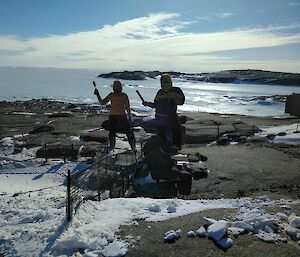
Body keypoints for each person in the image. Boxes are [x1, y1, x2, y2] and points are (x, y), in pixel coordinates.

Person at [142, 74, 185, 148]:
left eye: (165, 82)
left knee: (176, 131)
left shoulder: (176, 90)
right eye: (162, 82)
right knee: (161, 135)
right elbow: (155, 105)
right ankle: (163, 148)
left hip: (171, 116)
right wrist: (147, 104)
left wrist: (172, 98)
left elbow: (181, 102)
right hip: (160, 117)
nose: (163, 84)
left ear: (169, 82)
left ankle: (176, 147)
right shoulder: (160, 92)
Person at [93, 80, 136, 150]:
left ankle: (112, 147)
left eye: (116, 86)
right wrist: (130, 118)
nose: (116, 87)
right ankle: (132, 147)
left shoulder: (113, 95)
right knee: (128, 132)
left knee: (113, 133)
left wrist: (97, 95)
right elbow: (128, 108)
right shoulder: (123, 95)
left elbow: (102, 102)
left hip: (115, 116)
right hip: (121, 116)